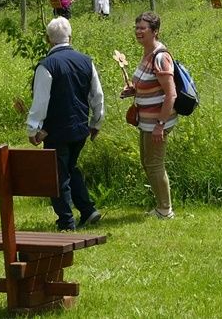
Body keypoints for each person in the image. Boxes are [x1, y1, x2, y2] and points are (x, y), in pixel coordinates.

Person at [25, 18, 105, 230]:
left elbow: (40, 101)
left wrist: (33, 128)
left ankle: (66, 221)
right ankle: (88, 210)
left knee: (58, 175)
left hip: (55, 130)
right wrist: (96, 122)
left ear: (47, 40)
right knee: (71, 167)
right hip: (80, 127)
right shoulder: (87, 61)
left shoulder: (46, 65)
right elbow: (97, 95)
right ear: (70, 37)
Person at [121, 12, 177, 219]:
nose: (138, 32)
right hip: (146, 121)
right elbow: (149, 85)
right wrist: (133, 91)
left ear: (155, 31)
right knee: (147, 162)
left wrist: (160, 125)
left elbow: (171, 94)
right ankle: (161, 206)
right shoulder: (146, 54)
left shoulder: (160, 57)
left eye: (143, 28)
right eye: (136, 28)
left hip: (157, 122)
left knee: (154, 164)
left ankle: (165, 209)